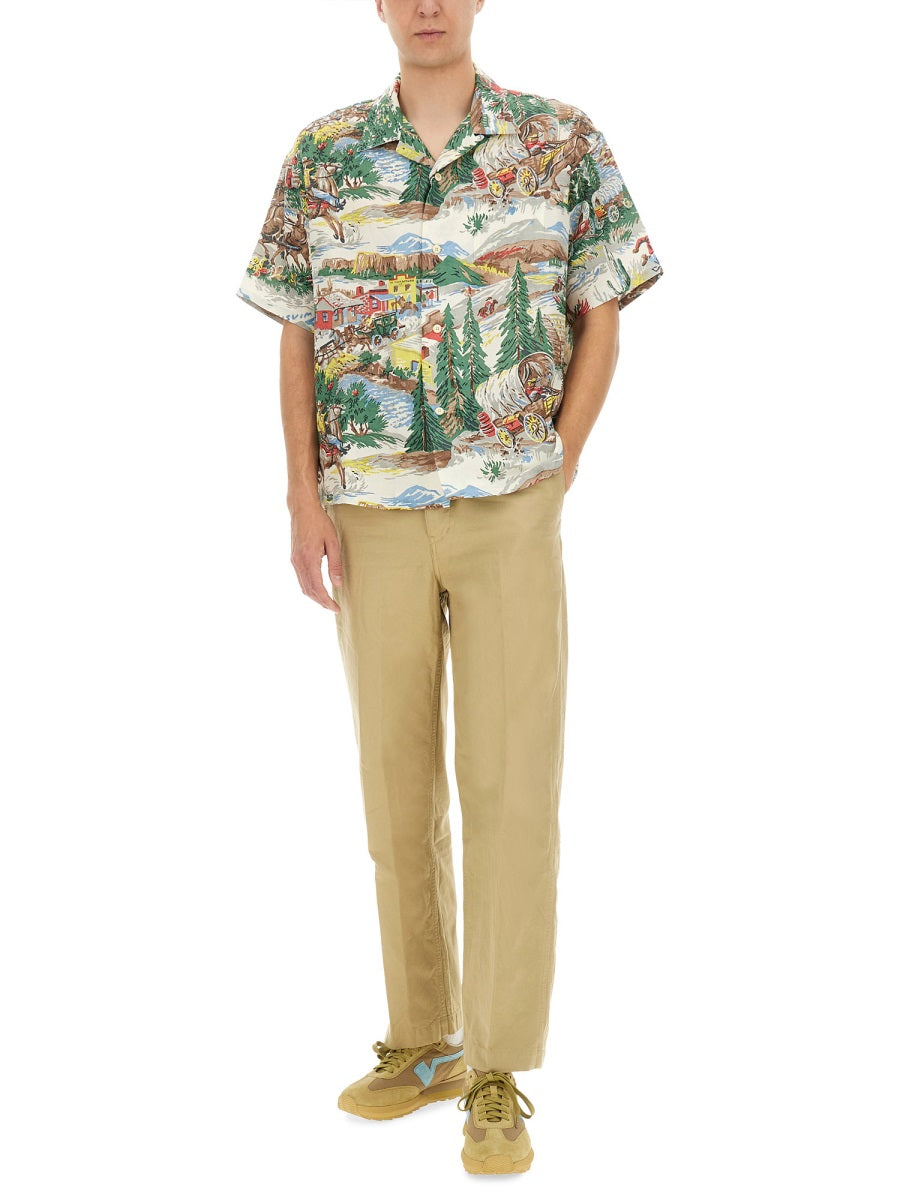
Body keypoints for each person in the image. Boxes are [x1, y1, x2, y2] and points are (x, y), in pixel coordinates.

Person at [236, 0, 663, 1175]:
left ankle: (497, 1070)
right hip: (368, 512)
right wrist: (302, 497)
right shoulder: (325, 152)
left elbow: (603, 310)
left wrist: (556, 464)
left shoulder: (558, 139)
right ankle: (424, 1038)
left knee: (511, 782)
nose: (427, 3)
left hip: (508, 506)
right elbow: (296, 329)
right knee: (395, 783)